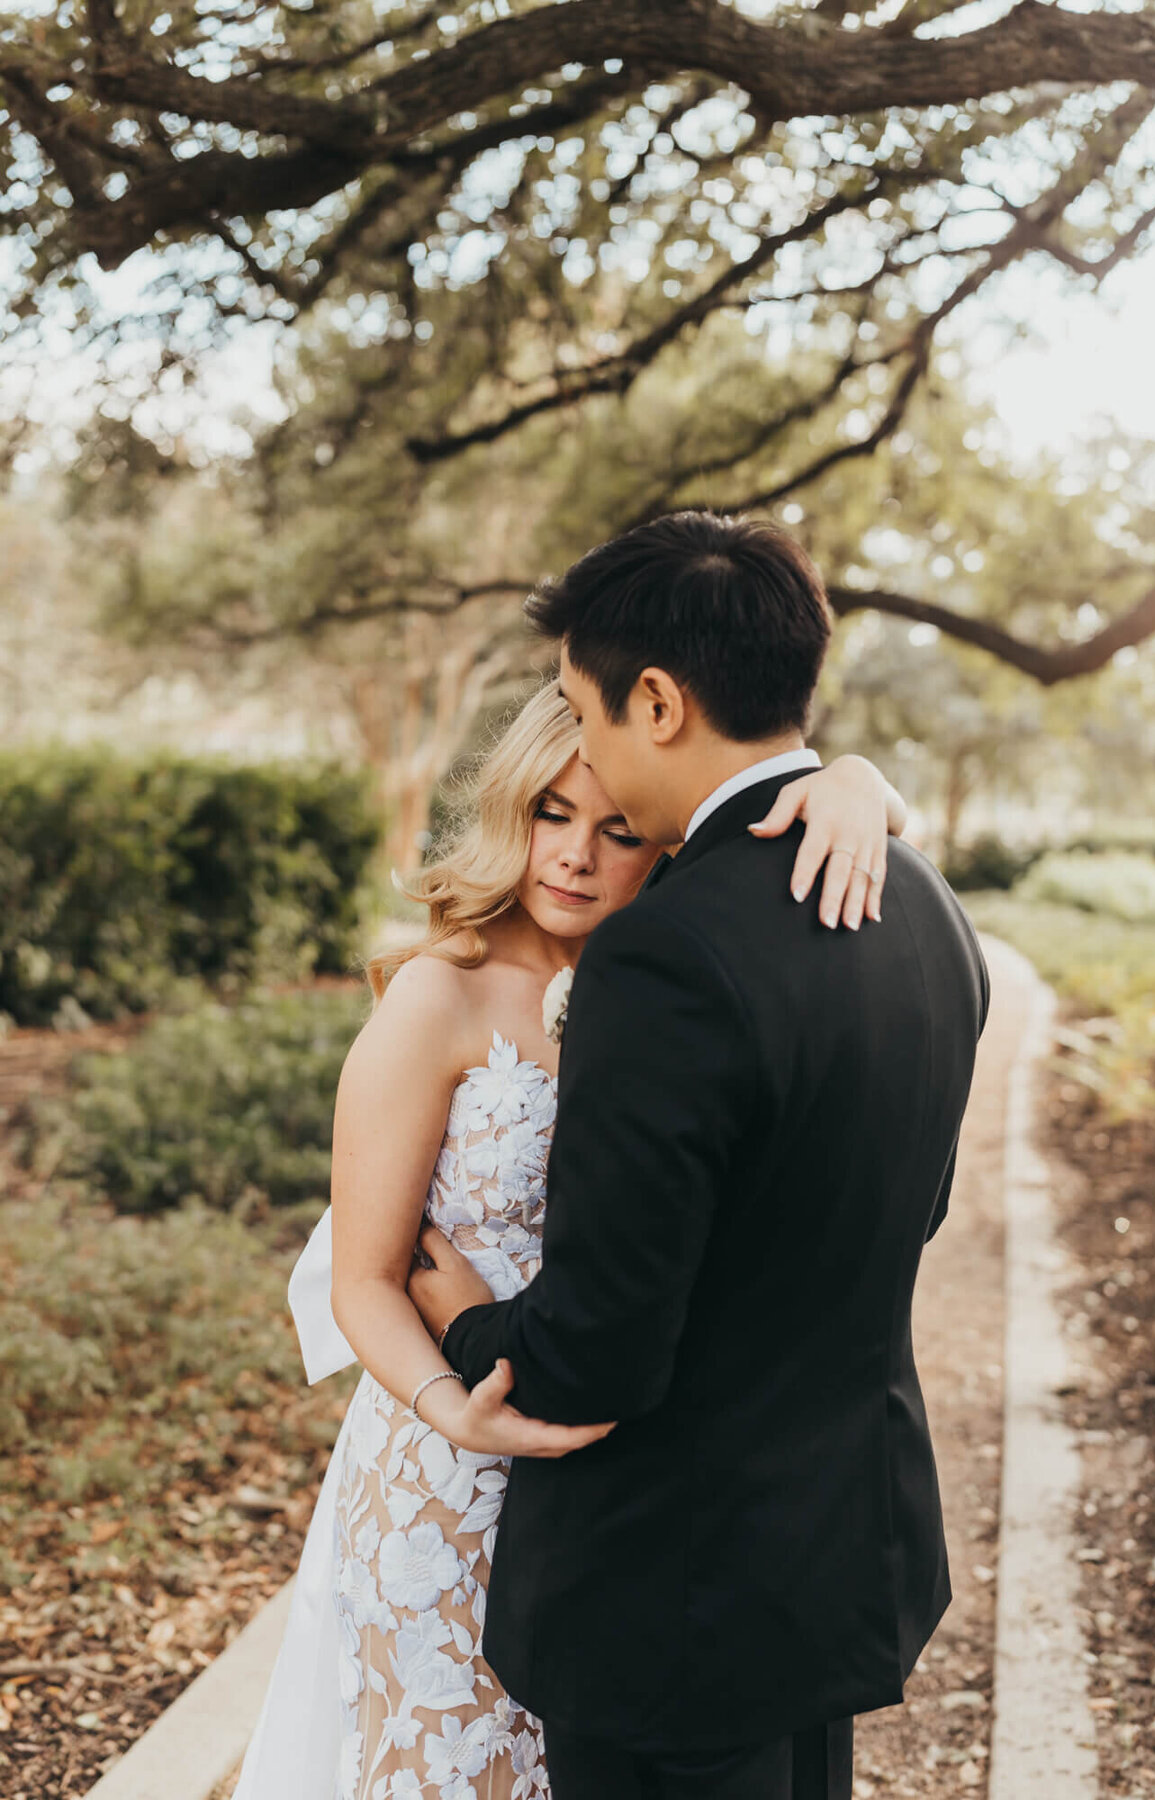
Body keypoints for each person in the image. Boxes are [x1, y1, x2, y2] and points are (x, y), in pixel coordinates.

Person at [232, 646, 908, 1800]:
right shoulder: (437, 995)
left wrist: (854, 779)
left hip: (622, 1476)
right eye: (552, 815)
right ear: (514, 811)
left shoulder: (685, 981)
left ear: (666, 836)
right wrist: (459, 1406)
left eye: (618, 831)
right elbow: (365, 1278)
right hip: (453, 1469)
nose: (577, 857)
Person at [407, 511, 991, 1800]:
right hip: (841, 1560)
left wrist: (461, 1319)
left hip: (673, 1602)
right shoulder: (929, 911)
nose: (594, 764)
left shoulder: (666, 956)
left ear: (658, 702)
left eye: (587, 709)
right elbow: (910, 1207)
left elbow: (598, 1357)